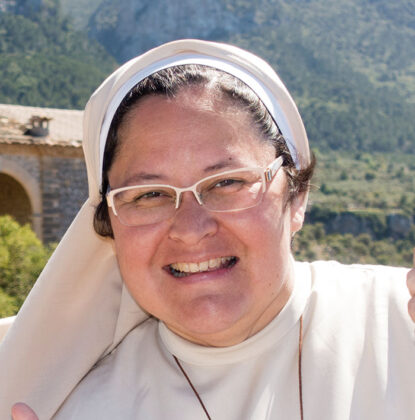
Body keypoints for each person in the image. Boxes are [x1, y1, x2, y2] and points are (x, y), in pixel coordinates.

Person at [1, 39, 414, 420]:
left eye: (227, 183)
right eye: (150, 195)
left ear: (297, 196)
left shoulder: (402, 328)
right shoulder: (82, 410)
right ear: (110, 228)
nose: (191, 228)